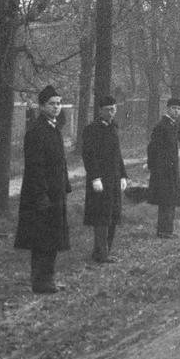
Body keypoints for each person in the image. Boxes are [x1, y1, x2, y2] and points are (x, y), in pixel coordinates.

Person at [15, 85, 72, 294]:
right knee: (41, 240)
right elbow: (35, 167)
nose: (56, 107)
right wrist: (41, 195)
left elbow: (61, 162)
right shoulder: (36, 132)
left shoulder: (53, 129)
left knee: (53, 238)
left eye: (59, 103)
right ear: (41, 106)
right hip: (41, 195)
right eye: (51, 104)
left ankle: (49, 278)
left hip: (55, 193)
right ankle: (40, 282)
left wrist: (65, 186)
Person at [80, 95, 129, 264]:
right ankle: (101, 253)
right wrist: (95, 178)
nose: (111, 112)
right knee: (101, 217)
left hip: (114, 179)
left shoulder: (113, 127)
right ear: (100, 111)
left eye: (113, 109)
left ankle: (105, 251)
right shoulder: (92, 129)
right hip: (100, 180)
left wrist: (123, 175)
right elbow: (89, 156)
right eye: (107, 110)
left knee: (113, 215)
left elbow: (117, 154)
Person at [147, 97, 180, 238]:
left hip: (171, 169)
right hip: (163, 169)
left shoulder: (173, 125)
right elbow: (153, 148)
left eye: (179, 109)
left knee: (171, 198)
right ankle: (163, 230)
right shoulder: (161, 126)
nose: (176, 111)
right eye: (174, 108)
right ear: (168, 109)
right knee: (165, 199)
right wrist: (156, 166)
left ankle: (168, 229)